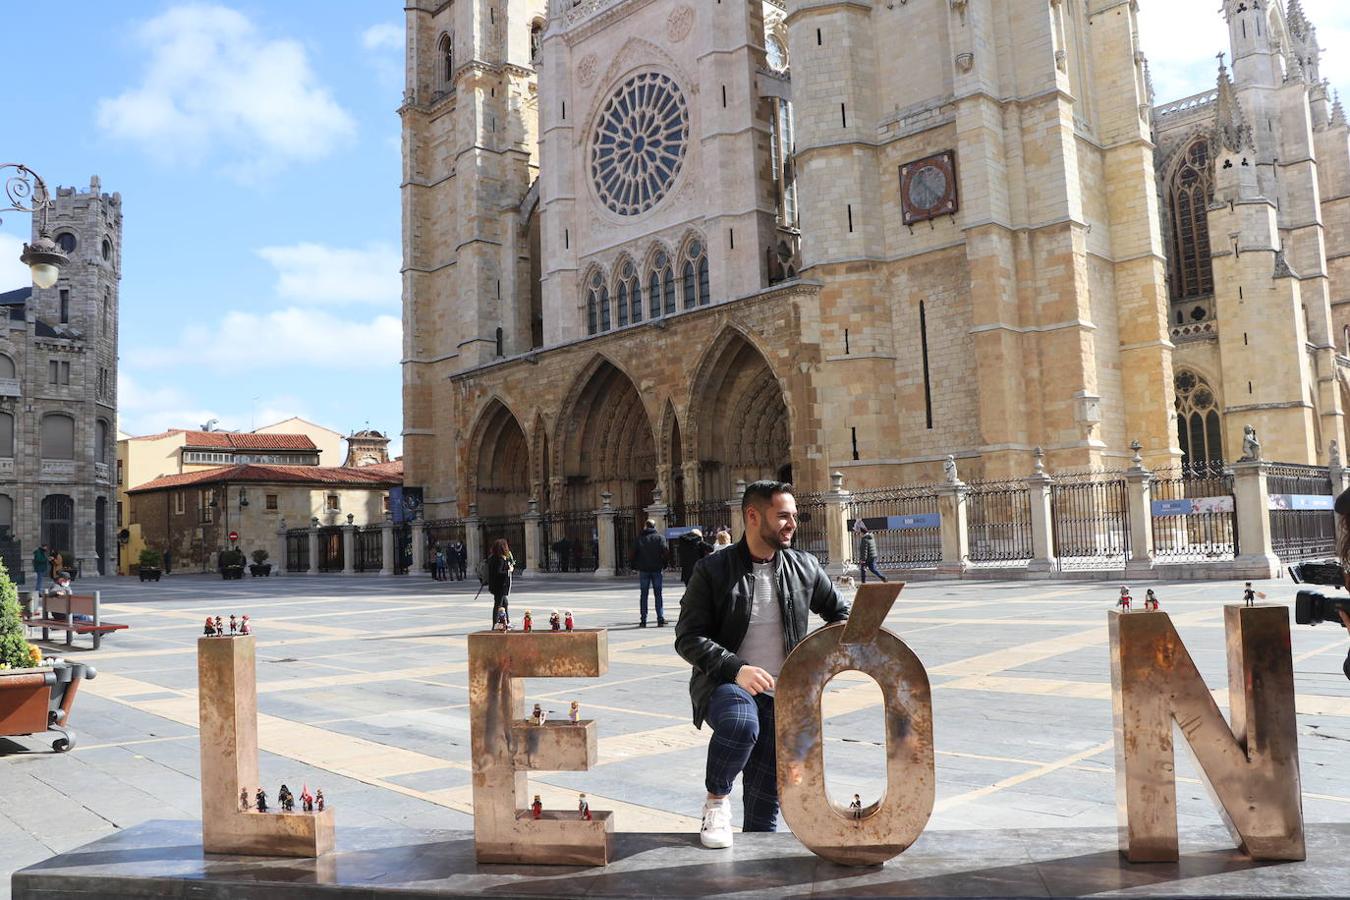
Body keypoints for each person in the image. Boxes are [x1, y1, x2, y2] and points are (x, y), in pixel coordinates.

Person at [675, 480, 850, 849]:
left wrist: (817, 661)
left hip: (780, 695)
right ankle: (716, 802)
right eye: (783, 515)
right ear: (753, 517)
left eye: (794, 516)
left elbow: (840, 614)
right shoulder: (712, 570)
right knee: (741, 723)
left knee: (764, 808)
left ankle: (756, 875)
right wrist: (736, 668)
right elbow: (688, 637)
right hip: (725, 685)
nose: (792, 524)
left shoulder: (805, 566)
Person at [633, 519, 669, 627]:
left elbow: (633, 553)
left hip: (644, 570)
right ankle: (660, 619)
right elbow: (665, 552)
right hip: (657, 569)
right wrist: (664, 564)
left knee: (643, 595)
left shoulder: (639, 538)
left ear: (645, 526)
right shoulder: (660, 538)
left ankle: (643, 620)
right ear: (654, 526)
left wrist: (635, 565)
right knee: (658, 595)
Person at [487, 538, 514, 629]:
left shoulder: (493, 557)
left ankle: (507, 622)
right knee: (498, 605)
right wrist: (508, 570)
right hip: (500, 586)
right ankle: (495, 624)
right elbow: (499, 572)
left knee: (505, 603)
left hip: (495, 586)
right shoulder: (499, 559)